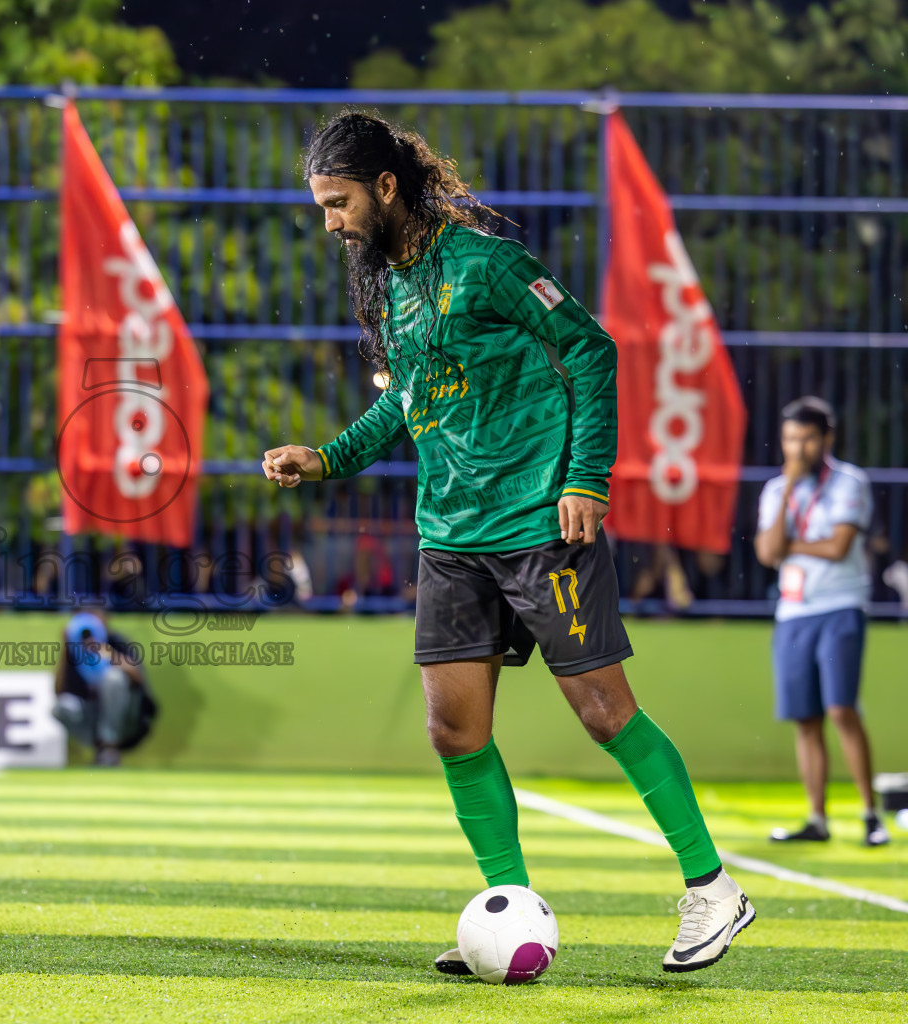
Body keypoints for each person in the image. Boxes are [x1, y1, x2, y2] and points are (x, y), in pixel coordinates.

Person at [260, 112, 753, 975]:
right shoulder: (392, 289)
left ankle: (713, 890)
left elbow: (591, 350)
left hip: (537, 523)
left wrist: (586, 478)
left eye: (337, 204)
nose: (330, 224)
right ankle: (512, 909)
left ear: (384, 188)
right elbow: (407, 401)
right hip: (449, 536)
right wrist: (328, 457)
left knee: (605, 714)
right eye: (320, 208)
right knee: (454, 731)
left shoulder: (488, 264)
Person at [754, 397, 887, 846]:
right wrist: (790, 490)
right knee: (806, 719)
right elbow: (768, 552)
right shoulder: (776, 490)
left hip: (840, 606)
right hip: (793, 614)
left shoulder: (850, 482)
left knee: (841, 709)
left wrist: (792, 543)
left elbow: (838, 547)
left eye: (807, 438)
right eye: (791, 439)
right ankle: (817, 819)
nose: (798, 448)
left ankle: (871, 814)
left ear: (826, 438)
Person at [55, 612, 156, 766]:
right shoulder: (76, 648)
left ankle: (109, 747)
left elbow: (137, 675)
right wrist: (66, 647)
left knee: (113, 678)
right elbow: (58, 691)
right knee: (61, 706)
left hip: (128, 718)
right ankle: (102, 748)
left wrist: (108, 654)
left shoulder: (115, 642)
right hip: (93, 717)